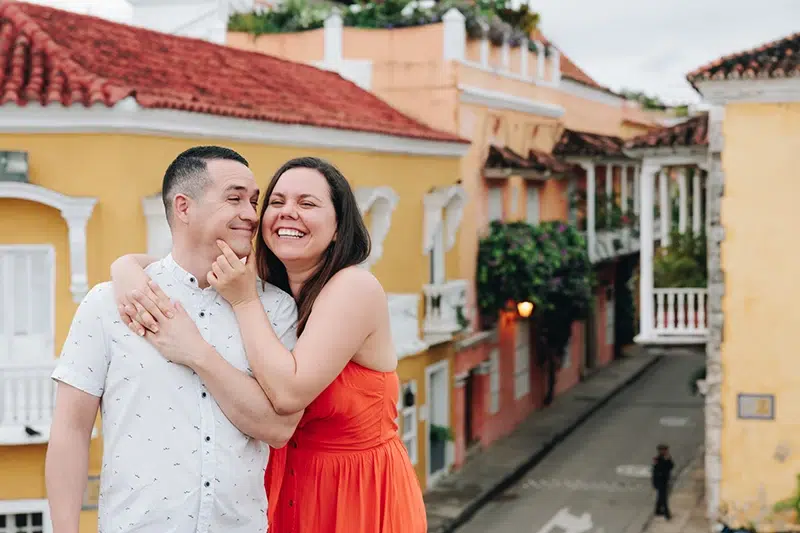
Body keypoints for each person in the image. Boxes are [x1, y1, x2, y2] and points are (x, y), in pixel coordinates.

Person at [113, 156, 427, 533]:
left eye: (307, 204)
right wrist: (125, 269)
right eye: (276, 203)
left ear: (339, 226)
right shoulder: (266, 284)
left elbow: (288, 393)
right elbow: (181, 264)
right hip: (280, 491)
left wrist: (244, 301)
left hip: (353, 494)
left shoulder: (353, 288)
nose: (287, 213)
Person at [45, 146, 302, 533]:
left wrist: (195, 352)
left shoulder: (275, 308)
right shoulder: (109, 302)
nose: (251, 214)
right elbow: (70, 430)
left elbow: (278, 429)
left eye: (253, 201)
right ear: (183, 207)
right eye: (234, 198)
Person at [652, 443, 674, 520]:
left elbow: (671, 466)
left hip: (665, 480)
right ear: (661, 451)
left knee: (661, 497)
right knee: (664, 498)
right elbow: (657, 471)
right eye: (665, 450)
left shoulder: (667, 458)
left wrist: (668, 459)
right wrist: (654, 482)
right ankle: (666, 514)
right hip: (660, 481)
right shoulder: (657, 459)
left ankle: (657, 510)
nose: (666, 451)